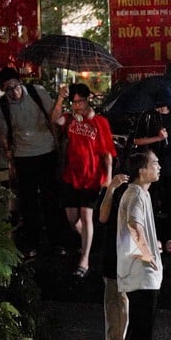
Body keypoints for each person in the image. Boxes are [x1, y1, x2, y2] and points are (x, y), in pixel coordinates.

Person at [0, 66, 66, 257]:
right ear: (3, 89)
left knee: (51, 198)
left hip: (46, 152)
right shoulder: (2, 106)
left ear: (20, 83)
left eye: (15, 86)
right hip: (23, 157)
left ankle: (57, 241)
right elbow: (2, 133)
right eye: (8, 89)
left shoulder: (37, 92)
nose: (14, 92)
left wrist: (57, 144)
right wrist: (10, 159)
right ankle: (33, 242)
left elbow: (53, 118)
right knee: (29, 202)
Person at [117, 149, 168, 340]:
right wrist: (148, 256)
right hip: (141, 274)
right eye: (155, 163)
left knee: (138, 327)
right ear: (142, 170)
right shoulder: (136, 194)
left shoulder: (140, 194)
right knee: (142, 330)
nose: (159, 167)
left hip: (139, 273)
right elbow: (134, 224)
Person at [53, 82, 116, 277]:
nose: (76, 105)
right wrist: (61, 98)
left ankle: (85, 260)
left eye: (80, 101)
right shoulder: (71, 119)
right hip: (72, 175)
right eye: (74, 102)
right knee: (73, 220)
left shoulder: (99, 122)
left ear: (88, 100)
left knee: (86, 215)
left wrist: (109, 178)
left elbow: (107, 153)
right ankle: (89, 241)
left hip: (92, 176)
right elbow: (55, 120)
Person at [130, 90, 171, 254]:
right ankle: (153, 237)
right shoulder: (148, 117)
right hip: (152, 168)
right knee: (151, 203)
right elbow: (137, 140)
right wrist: (157, 138)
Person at [97, 172, 130, 340]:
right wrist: (111, 188)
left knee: (124, 314)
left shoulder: (142, 193)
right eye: (153, 164)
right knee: (118, 313)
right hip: (116, 261)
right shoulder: (122, 189)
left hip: (130, 263)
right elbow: (103, 217)